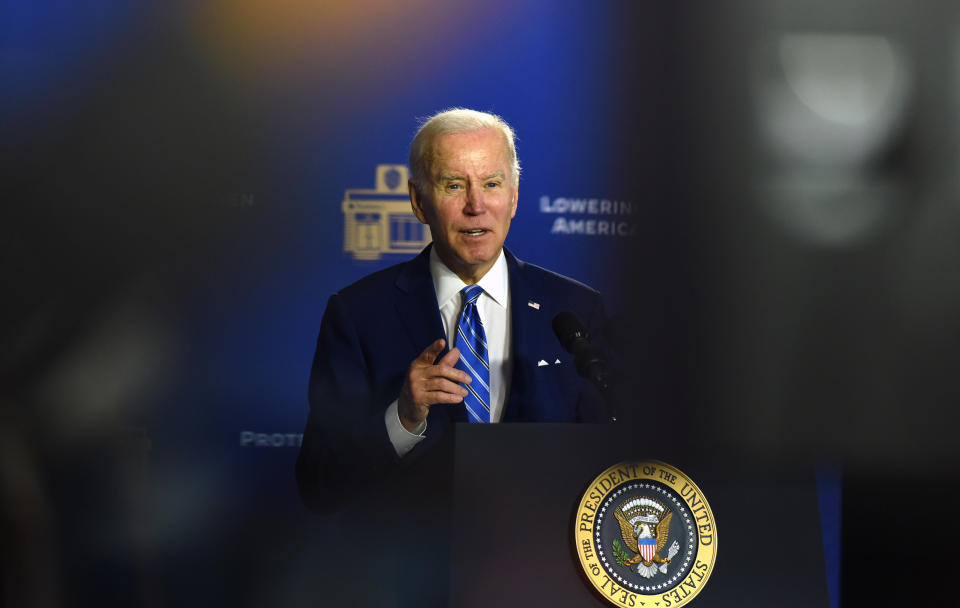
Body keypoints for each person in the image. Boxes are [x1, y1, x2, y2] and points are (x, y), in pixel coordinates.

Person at [296, 108, 608, 514]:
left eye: (491, 184)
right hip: (412, 568)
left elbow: (613, 463)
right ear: (418, 201)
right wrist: (404, 419)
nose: (475, 205)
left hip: (539, 560)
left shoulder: (577, 311)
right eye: (454, 186)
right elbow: (320, 484)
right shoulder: (357, 316)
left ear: (513, 197)